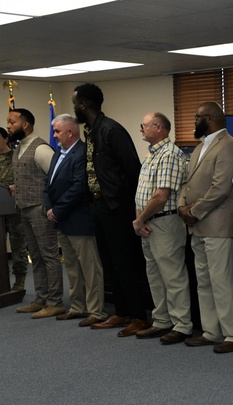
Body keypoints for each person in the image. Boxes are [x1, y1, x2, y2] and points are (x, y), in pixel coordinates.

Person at [73, 83, 152, 333]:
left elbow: (132, 170)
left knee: (125, 262)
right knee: (110, 263)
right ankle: (121, 311)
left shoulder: (111, 130)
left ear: (84, 104)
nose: (74, 106)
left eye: (75, 102)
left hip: (117, 207)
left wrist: (126, 205)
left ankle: (138, 315)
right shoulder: (90, 131)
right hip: (99, 205)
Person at [178, 102, 233, 354]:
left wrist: (193, 211)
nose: (194, 121)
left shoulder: (230, 145)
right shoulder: (199, 147)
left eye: (197, 117)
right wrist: (181, 206)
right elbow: (187, 184)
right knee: (204, 282)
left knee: (223, 282)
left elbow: (221, 188)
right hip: (197, 226)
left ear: (211, 118)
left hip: (218, 225)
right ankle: (211, 331)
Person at [133, 112, 192, 345]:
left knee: (172, 276)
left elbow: (161, 195)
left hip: (165, 223)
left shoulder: (169, 154)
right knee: (155, 276)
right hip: (148, 222)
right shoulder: (151, 155)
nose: (142, 130)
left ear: (158, 128)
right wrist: (140, 219)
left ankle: (182, 325)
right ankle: (161, 320)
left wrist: (140, 220)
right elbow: (143, 192)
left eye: (144, 126)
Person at [44, 114, 105, 324]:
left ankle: (96, 311)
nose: (54, 136)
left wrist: (57, 210)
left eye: (57, 131)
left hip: (79, 219)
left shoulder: (82, 153)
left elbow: (79, 187)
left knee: (90, 268)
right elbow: (48, 183)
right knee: (71, 267)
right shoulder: (58, 153)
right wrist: (50, 207)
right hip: (61, 220)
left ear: (70, 132)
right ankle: (78, 306)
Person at [7, 107, 63, 318]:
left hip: (40, 209)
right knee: (36, 256)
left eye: (12, 122)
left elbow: (56, 179)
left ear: (26, 124)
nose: (8, 126)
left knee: (49, 256)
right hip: (24, 208)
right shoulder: (19, 147)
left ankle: (55, 301)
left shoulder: (41, 148)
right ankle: (41, 298)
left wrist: (51, 207)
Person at [0, 127, 28, 292]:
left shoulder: (17, 156)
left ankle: (20, 282)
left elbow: (26, 178)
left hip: (15, 209)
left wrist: (17, 185)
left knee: (18, 248)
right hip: (0, 211)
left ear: (5, 138)